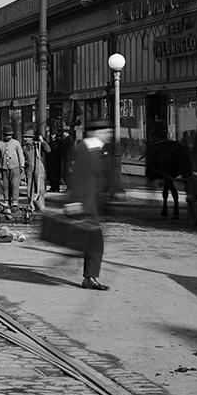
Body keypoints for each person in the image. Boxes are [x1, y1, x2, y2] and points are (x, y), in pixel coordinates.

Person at [65, 119, 113, 291]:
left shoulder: (98, 150)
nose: (109, 134)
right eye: (106, 131)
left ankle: (89, 276)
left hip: (91, 203)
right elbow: (77, 176)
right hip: (85, 203)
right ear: (95, 132)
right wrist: (75, 201)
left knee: (92, 241)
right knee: (95, 242)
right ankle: (89, 278)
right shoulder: (85, 150)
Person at [0, 126, 25, 210]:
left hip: (15, 167)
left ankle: (14, 201)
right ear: (3, 135)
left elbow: (20, 155)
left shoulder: (16, 143)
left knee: (14, 185)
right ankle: (6, 201)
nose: (8, 137)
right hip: (4, 168)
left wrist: (22, 166)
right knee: (5, 185)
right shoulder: (0, 144)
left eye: (10, 135)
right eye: (6, 135)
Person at [23, 128, 51, 212]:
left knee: (40, 188)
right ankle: (31, 204)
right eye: (24, 137)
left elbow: (48, 150)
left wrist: (42, 141)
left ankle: (41, 204)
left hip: (39, 168)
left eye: (27, 137)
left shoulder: (38, 145)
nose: (25, 139)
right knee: (29, 188)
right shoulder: (24, 148)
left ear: (31, 138)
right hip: (29, 169)